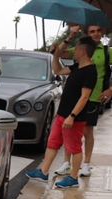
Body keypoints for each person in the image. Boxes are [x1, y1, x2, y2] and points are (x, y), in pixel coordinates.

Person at [25, 36, 98, 189]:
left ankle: (73, 178)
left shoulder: (90, 71)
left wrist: (72, 116)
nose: (74, 51)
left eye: (76, 48)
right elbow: (57, 70)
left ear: (83, 51)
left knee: (74, 147)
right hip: (61, 114)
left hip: (74, 118)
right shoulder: (77, 67)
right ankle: (44, 172)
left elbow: (84, 97)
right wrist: (55, 55)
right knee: (52, 143)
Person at [54, 25, 111, 178]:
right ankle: (66, 163)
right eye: (92, 31)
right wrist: (71, 35)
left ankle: (86, 164)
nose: (96, 33)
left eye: (99, 30)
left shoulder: (106, 51)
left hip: (93, 97)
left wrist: (110, 89)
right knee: (69, 130)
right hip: (74, 97)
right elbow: (58, 53)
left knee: (87, 131)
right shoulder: (79, 50)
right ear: (86, 34)